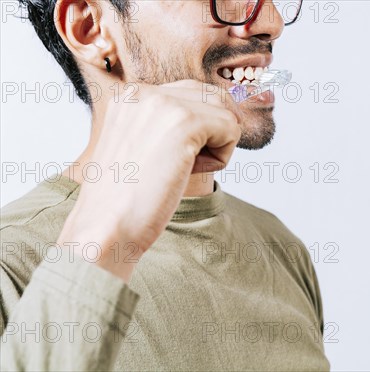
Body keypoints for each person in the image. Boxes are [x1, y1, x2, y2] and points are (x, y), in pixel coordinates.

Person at [0, 0, 329, 370]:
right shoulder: (8, 267)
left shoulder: (280, 249)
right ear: (89, 28)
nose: (272, 22)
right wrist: (103, 244)